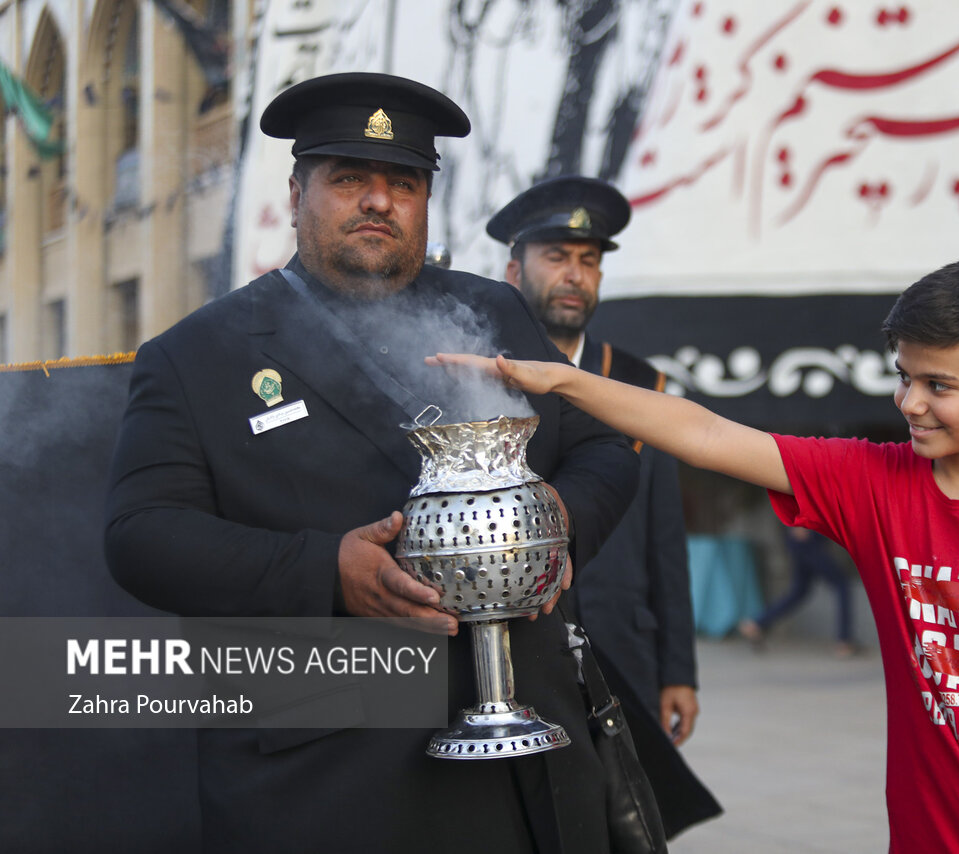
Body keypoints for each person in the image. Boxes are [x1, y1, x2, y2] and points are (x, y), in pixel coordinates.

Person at [432, 258, 959, 854]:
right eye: (904, 377)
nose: (910, 402)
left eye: (939, 385)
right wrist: (561, 379)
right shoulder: (877, 483)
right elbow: (709, 435)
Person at [104, 73, 639, 854]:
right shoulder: (197, 355)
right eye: (349, 178)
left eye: (404, 183)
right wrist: (327, 571)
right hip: (331, 777)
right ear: (296, 193)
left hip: (528, 743)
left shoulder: (493, 311)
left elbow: (600, 449)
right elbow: (140, 536)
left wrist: (559, 523)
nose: (379, 202)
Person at [486, 175, 700, 743]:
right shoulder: (485, 377)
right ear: (514, 271)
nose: (575, 275)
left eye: (588, 260)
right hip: (513, 646)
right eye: (556, 257)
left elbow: (664, 535)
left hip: (623, 645)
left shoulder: (639, 383)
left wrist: (678, 668)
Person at [738, 525, 858, 657]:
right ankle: (844, 641)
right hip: (808, 537)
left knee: (799, 591)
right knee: (841, 585)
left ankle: (756, 623)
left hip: (802, 538)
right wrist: (800, 526)